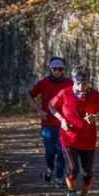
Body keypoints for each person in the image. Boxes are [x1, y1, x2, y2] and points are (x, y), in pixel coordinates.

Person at [49, 65, 99, 196]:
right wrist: (61, 120)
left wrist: (96, 117)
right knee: (73, 169)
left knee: (87, 173)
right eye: (78, 83)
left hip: (88, 140)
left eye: (84, 83)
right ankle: (71, 193)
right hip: (69, 138)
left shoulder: (95, 95)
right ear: (73, 82)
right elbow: (51, 106)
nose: (81, 86)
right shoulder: (65, 93)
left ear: (89, 82)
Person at [28, 57, 72, 185]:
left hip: (63, 123)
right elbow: (30, 96)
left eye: (60, 69)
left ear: (63, 69)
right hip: (47, 123)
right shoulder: (44, 83)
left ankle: (58, 178)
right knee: (50, 151)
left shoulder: (70, 83)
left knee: (62, 151)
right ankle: (49, 169)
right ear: (50, 69)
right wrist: (39, 110)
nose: (57, 71)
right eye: (54, 69)